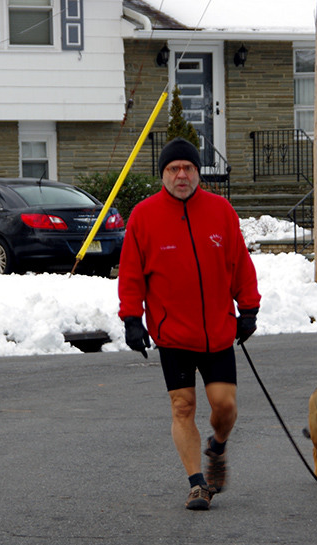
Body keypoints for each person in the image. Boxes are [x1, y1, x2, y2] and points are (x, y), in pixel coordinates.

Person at [118, 137, 261, 511]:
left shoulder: (221, 211)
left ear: (198, 172)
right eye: (173, 169)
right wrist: (132, 318)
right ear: (163, 174)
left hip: (217, 331)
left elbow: (240, 263)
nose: (181, 175)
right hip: (173, 334)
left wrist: (248, 309)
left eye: (188, 168)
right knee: (183, 407)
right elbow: (131, 274)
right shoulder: (144, 216)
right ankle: (198, 483)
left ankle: (217, 445)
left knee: (224, 407)